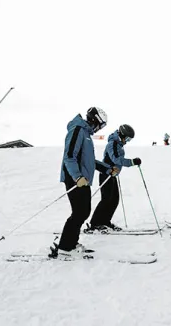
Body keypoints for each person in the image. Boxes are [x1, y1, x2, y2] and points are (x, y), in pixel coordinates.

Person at [54, 107, 110, 259]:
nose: (99, 128)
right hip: (75, 179)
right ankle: (65, 247)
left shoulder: (85, 134)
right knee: (79, 212)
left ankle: (71, 243)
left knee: (83, 212)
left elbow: (89, 161)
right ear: (94, 120)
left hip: (82, 180)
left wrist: (107, 169)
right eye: (100, 124)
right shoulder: (78, 130)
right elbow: (69, 156)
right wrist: (77, 177)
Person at [86, 124, 141, 232]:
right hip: (106, 174)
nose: (128, 141)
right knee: (106, 200)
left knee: (114, 200)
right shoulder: (113, 144)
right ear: (122, 135)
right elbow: (116, 159)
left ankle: (105, 221)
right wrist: (132, 162)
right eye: (128, 138)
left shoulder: (118, 144)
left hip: (112, 175)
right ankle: (95, 224)